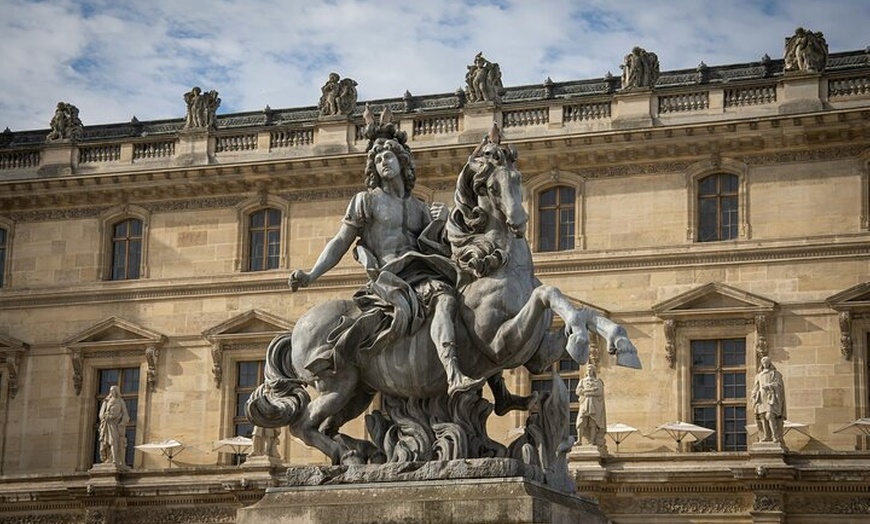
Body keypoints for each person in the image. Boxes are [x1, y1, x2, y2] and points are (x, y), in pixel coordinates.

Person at [290, 134, 486, 397]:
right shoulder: (366, 200)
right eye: (378, 159)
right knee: (444, 297)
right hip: (388, 277)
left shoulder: (420, 208)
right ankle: (453, 374)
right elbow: (340, 242)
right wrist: (311, 274)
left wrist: (446, 220)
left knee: (475, 306)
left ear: (402, 163)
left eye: (388, 157)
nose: (383, 162)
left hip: (420, 272)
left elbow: (446, 247)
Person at [752, 356, 786, 443]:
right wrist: (753, 396)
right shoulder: (759, 375)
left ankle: (776, 436)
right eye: (763, 363)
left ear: (770, 363)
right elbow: (756, 387)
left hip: (771, 398)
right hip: (761, 398)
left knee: (770, 416)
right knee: (763, 417)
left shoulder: (775, 374)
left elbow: (779, 385)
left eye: (767, 362)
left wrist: (769, 386)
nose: (765, 364)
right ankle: (767, 436)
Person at [98, 385, 130, 467]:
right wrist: (105, 416)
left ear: (116, 392)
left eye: (113, 390)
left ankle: (115, 458)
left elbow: (125, 414)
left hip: (116, 424)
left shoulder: (120, 401)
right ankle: (110, 458)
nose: (112, 392)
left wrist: (122, 422)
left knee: (114, 441)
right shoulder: (106, 402)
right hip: (107, 423)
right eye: (111, 391)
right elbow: (101, 414)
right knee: (110, 441)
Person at [576, 364, 606, 447]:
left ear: (593, 371)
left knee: (593, 423)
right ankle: (579, 440)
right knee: (580, 421)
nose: (589, 371)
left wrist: (586, 392)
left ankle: (592, 441)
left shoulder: (598, 381)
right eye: (588, 370)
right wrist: (590, 390)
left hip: (594, 404)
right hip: (584, 403)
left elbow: (599, 393)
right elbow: (578, 391)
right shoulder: (582, 381)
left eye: (590, 370)